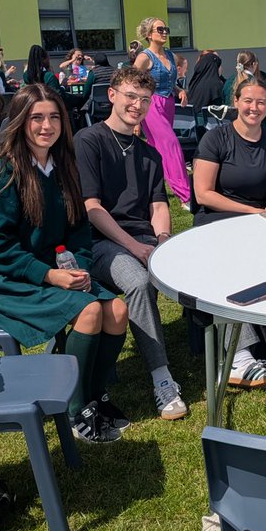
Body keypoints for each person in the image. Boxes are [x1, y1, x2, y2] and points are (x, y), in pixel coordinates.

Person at [0, 84, 129, 444]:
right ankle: (73, 411)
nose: (46, 125)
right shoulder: (1, 173)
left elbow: (78, 231)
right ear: (20, 121)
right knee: (89, 314)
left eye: (54, 116)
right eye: (36, 117)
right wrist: (51, 275)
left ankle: (94, 395)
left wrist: (81, 267)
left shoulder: (62, 167)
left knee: (117, 309)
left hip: (51, 270)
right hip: (2, 278)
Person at [74, 67, 188, 421]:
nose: (137, 105)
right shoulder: (88, 140)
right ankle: (162, 378)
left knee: (199, 266)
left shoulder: (149, 154)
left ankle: (236, 354)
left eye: (144, 100)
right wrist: (138, 249)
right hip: (100, 242)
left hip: (143, 238)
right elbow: (92, 208)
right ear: (112, 95)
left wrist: (164, 241)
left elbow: (158, 206)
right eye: (130, 97)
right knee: (139, 281)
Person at [192, 75, 266, 388]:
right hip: (217, 218)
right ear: (235, 102)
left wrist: (265, 215)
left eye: (261, 101)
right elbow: (203, 194)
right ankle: (242, 356)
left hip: (259, 220)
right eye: (248, 100)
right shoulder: (216, 139)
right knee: (236, 265)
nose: (254, 107)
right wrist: (253, 213)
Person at [133, 16, 191, 205]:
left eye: (166, 29)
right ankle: (186, 195)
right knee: (171, 144)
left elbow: (170, 83)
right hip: (151, 105)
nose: (164, 32)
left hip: (168, 104)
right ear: (149, 34)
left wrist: (180, 90)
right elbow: (130, 84)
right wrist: (135, 117)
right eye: (160, 29)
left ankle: (146, 187)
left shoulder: (170, 56)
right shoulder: (144, 58)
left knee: (155, 149)